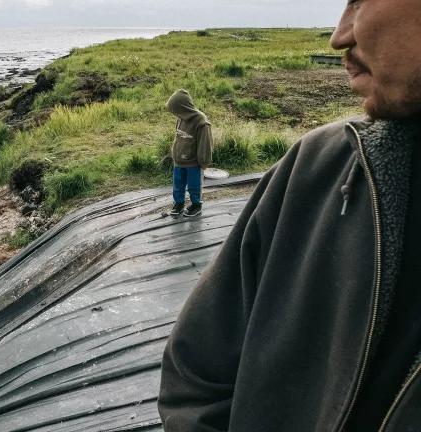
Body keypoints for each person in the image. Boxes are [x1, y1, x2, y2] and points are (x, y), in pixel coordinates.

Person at [158, 1, 421, 431]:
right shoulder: (315, 168)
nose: (339, 35)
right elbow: (195, 373)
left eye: (360, 0)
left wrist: (201, 166)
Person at [163, 89, 213, 218]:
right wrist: (175, 154)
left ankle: (196, 205)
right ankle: (178, 203)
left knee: (194, 186)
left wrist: (204, 161)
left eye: (176, 110)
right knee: (178, 184)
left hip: (194, 163)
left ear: (183, 107)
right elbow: (178, 138)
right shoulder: (181, 118)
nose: (175, 114)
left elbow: (205, 144)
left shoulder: (201, 121)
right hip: (179, 161)